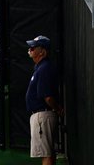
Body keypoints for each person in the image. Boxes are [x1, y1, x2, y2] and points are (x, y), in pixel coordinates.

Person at [25, 35, 60, 165]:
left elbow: (48, 97)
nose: (30, 50)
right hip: (42, 116)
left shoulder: (44, 68)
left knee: (46, 154)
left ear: (42, 52)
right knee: (48, 152)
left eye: (33, 48)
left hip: (42, 116)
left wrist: (58, 109)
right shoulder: (41, 68)